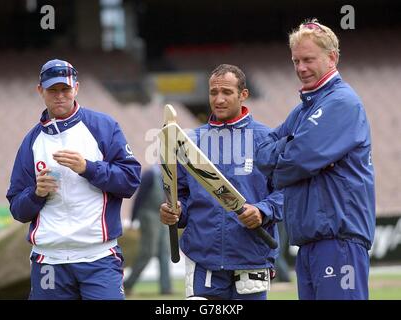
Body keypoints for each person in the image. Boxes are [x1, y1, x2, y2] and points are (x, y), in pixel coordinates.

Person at [256, 19, 375, 299]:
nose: (300, 68)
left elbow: (298, 159)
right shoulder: (303, 111)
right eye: (296, 61)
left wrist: (289, 162)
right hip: (311, 241)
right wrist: (293, 152)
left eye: (308, 59)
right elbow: (262, 153)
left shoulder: (342, 102)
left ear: (331, 57)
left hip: (338, 240)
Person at [6, 59, 141, 300]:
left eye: (65, 89)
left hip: (98, 258)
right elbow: (17, 209)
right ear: (40, 91)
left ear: (76, 88)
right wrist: (36, 194)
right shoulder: (31, 142)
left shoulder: (103, 127)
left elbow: (130, 180)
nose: (60, 96)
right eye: (52, 90)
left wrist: (88, 168)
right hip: (49, 262)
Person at [160, 64, 283, 300]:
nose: (219, 99)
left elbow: (286, 193)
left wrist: (262, 210)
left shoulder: (266, 139)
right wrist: (173, 211)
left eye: (226, 92)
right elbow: (181, 198)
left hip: (251, 257)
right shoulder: (190, 142)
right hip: (202, 259)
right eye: (213, 93)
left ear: (243, 94)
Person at [124, 165, 172, 296]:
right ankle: (127, 285)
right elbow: (139, 197)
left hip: (162, 215)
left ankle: (166, 289)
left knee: (164, 252)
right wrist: (132, 219)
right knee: (148, 252)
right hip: (148, 215)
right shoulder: (150, 174)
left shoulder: (169, 176)